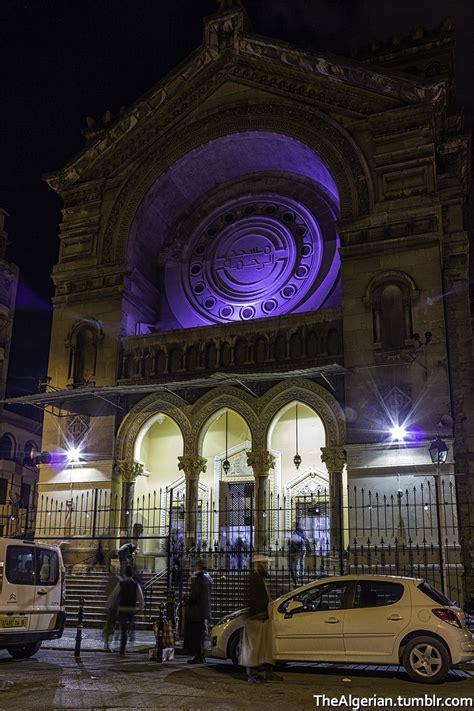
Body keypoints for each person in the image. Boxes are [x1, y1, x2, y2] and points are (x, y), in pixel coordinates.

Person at [239, 554, 281, 683]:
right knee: (254, 647)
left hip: (264, 615)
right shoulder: (253, 579)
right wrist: (256, 613)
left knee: (264, 646)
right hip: (256, 617)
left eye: (266, 564)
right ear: (258, 565)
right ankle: (252, 674)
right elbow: (251, 598)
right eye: (263, 564)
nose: (266, 566)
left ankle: (266, 672)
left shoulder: (264, 578)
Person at [108, 565, 144, 656]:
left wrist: (110, 604)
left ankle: (122, 650)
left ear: (124, 574)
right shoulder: (136, 585)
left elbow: (114, 595)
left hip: (122, 609)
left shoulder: (121, 584)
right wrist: (141, 608)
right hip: (131, 609)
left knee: (123, 629)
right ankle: (129, 639)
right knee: (129, 627)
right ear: (132, 574)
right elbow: (141, 598)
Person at [186, 559, 212, 664]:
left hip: (197, 612)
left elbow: (195, 596)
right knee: (200, 635)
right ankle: (200, 655)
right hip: (204, 611)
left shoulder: (199, 579)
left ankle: (198, 655)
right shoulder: (207, 578)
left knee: (197, 635)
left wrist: (188, 599)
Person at [102, 571, 121, 652]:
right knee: (112, 626)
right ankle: (108, 644)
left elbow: (106, 591)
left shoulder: (110, 580)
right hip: (116, 606)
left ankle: (107, 643)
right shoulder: (119, 581)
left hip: (112, 605)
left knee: (109, 625)